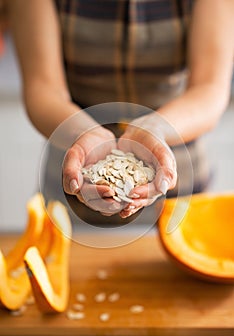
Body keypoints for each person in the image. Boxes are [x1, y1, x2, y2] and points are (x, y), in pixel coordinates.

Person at [6, 0, 234, 222]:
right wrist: (84, 133)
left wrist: (157, 128)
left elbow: (209, 89)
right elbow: (43, 90)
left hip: (182, 189)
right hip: (71, 186)